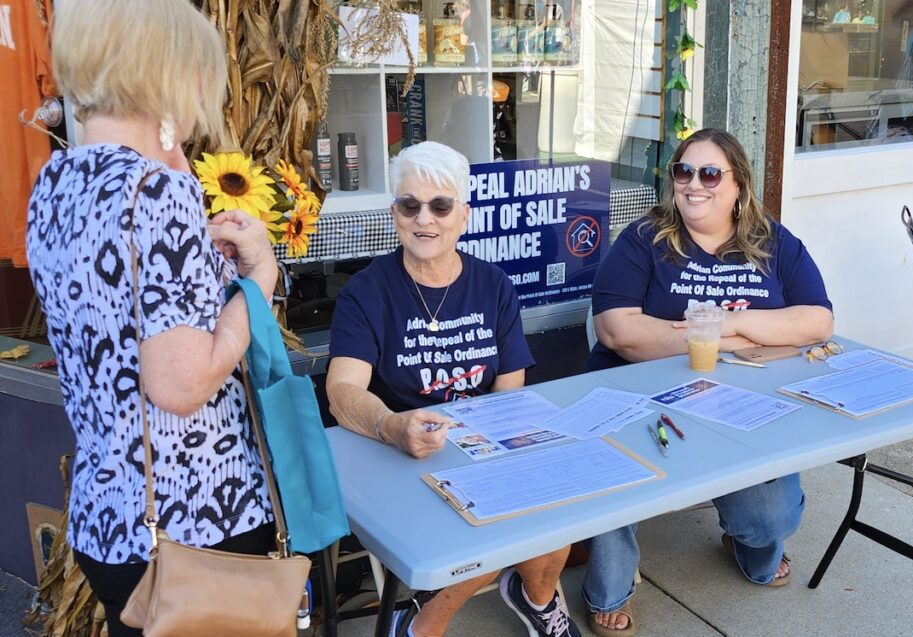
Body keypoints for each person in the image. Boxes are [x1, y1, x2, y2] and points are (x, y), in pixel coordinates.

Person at [25, 2, 280, 636]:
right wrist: (256, 285)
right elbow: (182, 384)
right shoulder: (159, 194)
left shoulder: (56, 183)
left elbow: (118, 318)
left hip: (109, 519)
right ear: (171, 73)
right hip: (195, 520)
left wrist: (206, 269)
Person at [582, 128, 834, 637]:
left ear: (738, 184)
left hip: (743, 401)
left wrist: (728, 326)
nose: (694, 184)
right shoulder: (645, 240)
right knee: (612, 471)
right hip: (639, 393)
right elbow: (617, 330)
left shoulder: (773, 242)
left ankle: (747, 541)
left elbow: (817, 321)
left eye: (710, 173)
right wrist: (731, 336)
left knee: (771, 519)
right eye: (683, 171)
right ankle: (609, 587)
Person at [325, 141, 580, 637]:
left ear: (463, 215)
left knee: (560, 509)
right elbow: (341, 391)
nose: (425, 219)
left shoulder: (493, 284)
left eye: (440, 206)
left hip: (479, 449)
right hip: (399, 457)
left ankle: (536, 598)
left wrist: (503, 453)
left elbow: (511, 394)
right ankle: (425, 625)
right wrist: (391, 425)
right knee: (490, 533)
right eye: (409, 204)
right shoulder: (368, 291)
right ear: (394, 212)